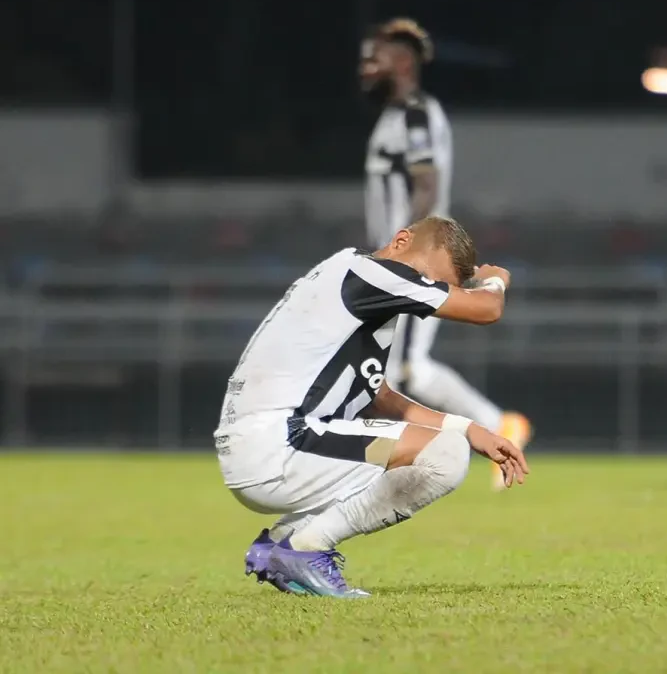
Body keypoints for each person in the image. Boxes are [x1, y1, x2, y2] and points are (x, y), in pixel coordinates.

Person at [213, 216, 530, 598]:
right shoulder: (372, 274)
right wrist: (494, 281)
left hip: (268, 447)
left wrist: (469, 428)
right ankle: (304, 549)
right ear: (400, 241)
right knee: (444, 455)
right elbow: (486, 310)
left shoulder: (349, 283)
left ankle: (280, 544)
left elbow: (378, 398)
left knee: (431, 447)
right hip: (283, 444)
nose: (422, 290)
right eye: (425, 278)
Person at [360, 17, 531, 491]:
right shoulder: (398, 115)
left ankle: (495, 426)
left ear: (401, 62)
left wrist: (405, 252)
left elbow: (427, 183)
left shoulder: (414, 114)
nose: (365, 69)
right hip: (402, 258)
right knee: (397, 366)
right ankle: (489, 428)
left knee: (399, 368)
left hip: (414, 261)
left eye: (374, 58)